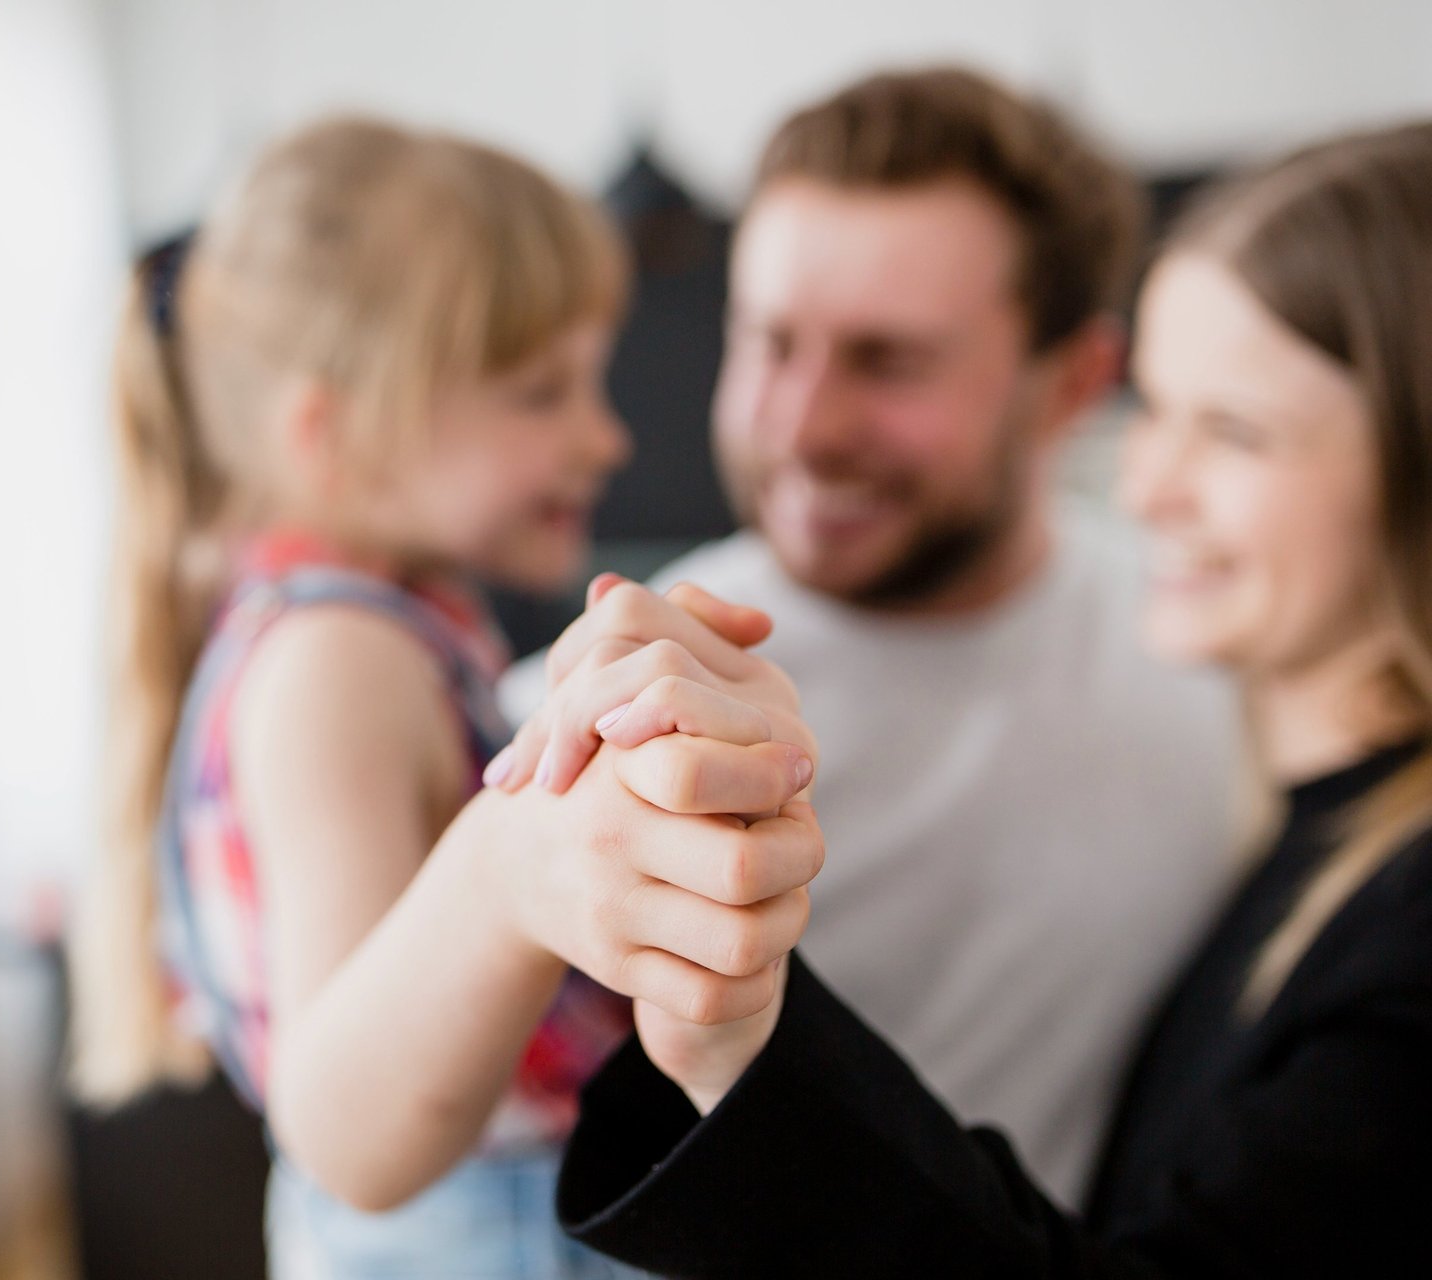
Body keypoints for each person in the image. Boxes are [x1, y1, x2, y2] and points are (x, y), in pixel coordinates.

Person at [552, 120, 1432, 1277]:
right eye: (1158, 411)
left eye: (1234, 431)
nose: (1145, 484)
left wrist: (741, 1035)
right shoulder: (1317, 825)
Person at [65, 116, 823, 1278]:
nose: (604, 435)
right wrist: (512, 871)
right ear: (332, 431)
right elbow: (350, 1132)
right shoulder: (340, 661)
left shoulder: (378, 622)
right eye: (541, 391)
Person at [499, 67, 1242, 1204]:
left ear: (1073, 383)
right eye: (770, 342)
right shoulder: (636, 687)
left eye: (888, 361)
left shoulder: (1215, 649)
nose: (800, 428)